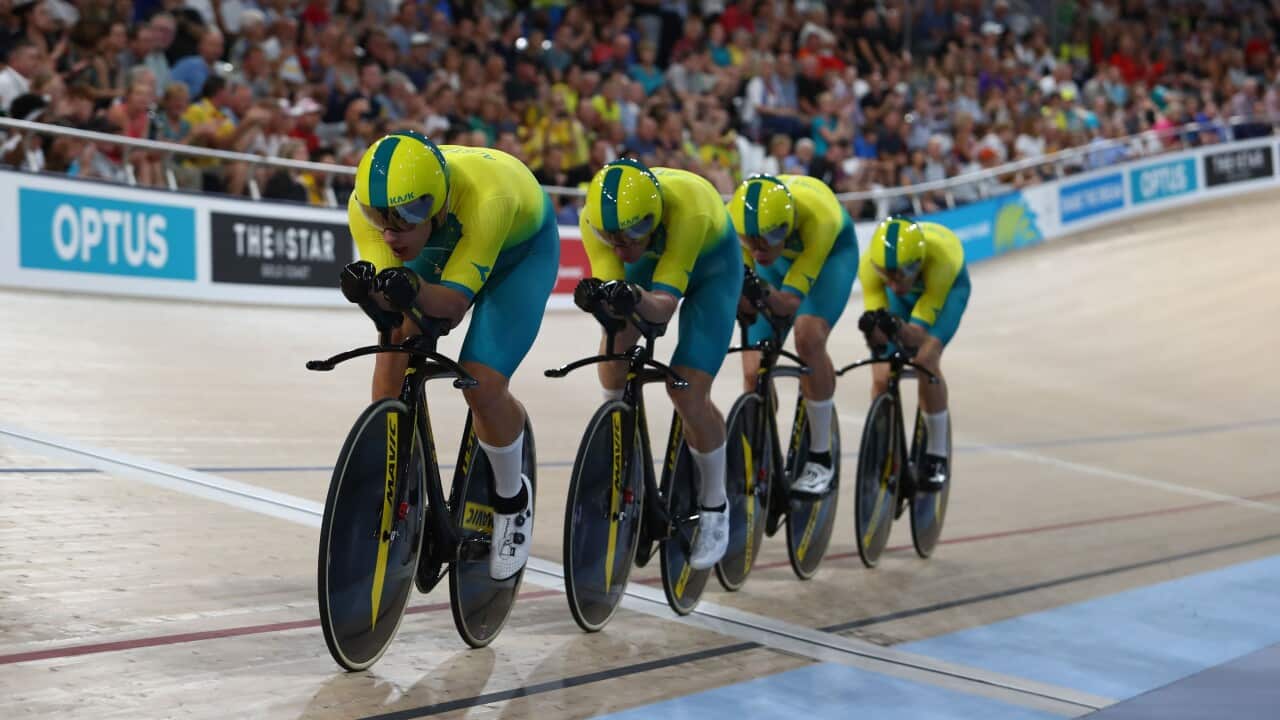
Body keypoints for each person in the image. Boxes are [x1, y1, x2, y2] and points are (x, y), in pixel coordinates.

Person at [346, 131, 560, 581]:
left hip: (517, 255)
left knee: (481, 381)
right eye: (378, 217)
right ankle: (390, 488)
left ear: (436, 203)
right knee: (395, 347)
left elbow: (452, 308)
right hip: (446, 242)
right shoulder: (368, 208)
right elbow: (392, 312)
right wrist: (377, 294)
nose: (389, 230)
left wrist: (416, 288)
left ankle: (511, 500)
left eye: (405, 216)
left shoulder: (489, 198)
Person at [577, 158, 743, 570]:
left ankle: (715, 504)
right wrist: (606, 300)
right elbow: (619, 305)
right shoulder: (593, 218)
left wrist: (632, 295)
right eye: (607, 236)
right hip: (651, 264)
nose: (618, 245)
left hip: (711, 271)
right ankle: (618, 431)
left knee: (686, 387)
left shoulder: (690, 210)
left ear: (652, 218)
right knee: (615, 349)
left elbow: (662, 310)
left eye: (630, 233)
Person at [727, 173, 859, 497]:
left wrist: (758, 293)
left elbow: (787, 304)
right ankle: (763, 451)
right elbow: (744, 281)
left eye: (765, 240)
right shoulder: (737, 219)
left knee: (808, 335)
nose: (757, 250)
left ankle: (820, 456)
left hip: (829, 259)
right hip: (777, 266)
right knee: (753, 369)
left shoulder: (820, 218)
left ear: (786, 226)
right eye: (750, 241)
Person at [858, 216, 970, 491]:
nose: (895, 285)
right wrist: (878, 334)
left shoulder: (941, 260)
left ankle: (936, 453)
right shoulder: (871, 266)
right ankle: (886, 446)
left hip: (945, 292)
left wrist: (898, 329)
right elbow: (879, 330)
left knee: (924, 359)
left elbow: (917, 335)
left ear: (917, 264)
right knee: (882, 371)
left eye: (901, 275)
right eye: (889, 277)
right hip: (910, 295)